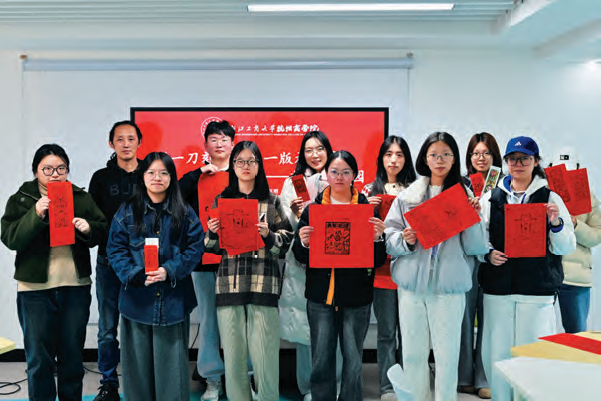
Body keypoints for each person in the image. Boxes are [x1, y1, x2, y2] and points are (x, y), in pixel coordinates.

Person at [384, 132, 488, 401]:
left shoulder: (464, 197)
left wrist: (474, 218)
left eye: (445, 155)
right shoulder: (407, 196)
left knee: (447, 356)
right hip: (412, 286)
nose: (439, 160)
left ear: (454, 159)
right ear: (425, 159)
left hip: (448, 288)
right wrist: (405, 240)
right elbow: (389, 238)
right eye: (434, 155)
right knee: (412, 354)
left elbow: (476, 247)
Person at [1, 143, 107, 401]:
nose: (55, 174)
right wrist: (35, 214)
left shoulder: (79, 196)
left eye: (61, 168)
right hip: (34, 290)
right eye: (47, 169)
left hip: (75, 287)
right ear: (36, 171)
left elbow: (102, 229)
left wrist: (88, 228)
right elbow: (10, 238)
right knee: (39, 359)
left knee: (72, 357)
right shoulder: (21, 199)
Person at [478, 136, 576, 401]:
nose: (518, 164)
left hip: (537, 291)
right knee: (498, 354)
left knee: (535, 355)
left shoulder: (550, 197)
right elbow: (478, 238)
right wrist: (487, 254)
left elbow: (566, 246)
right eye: (512, 159)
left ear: (536, 161)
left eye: (524, 159)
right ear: (506, 162)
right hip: (498, 289)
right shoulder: (491, 197)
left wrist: (555, 224)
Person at [107, 152, 204, 401]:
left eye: (163, 173)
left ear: (171, 178)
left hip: (173, 301)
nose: (157, 178)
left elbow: (195, 248)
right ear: (143, 177)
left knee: (172, 375)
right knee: (137, 375)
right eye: (151, 173)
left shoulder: (185, 212)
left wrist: (169, 270)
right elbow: (115, 250)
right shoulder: (127, 212)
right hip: (136, 300)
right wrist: (135, 274)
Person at [293, 150, 387, 401]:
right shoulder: (313, 210)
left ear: (354, 175)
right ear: (326, 174)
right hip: (321, 296)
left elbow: (378, 260)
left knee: (353, 360)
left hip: (357, 297)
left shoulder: (366, 210)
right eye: (334, 171)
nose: (339, 177)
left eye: (346, 172)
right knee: (321, 359)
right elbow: (299, 255)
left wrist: (378, 238)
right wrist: (304, 243)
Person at [205, 141, 293, 401]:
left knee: (266, 356)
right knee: (233, 358)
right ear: (232, 166)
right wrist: (212, 232)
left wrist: (268, 235)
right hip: (229, 284)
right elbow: (210, 247)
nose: (245, 166)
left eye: (251, 161)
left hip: (263, 283)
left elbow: (286, 242)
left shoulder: (272, 200)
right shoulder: (222, 200)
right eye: (240, 161)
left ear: (259, 165)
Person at [278, 130, 342, 401]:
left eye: (320, 149)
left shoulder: (339, 177)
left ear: (328, 150)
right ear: (302, 154)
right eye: (309, 150)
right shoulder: (292, 183)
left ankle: (334, 384)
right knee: (306, 330)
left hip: (334, 262)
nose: (315, 155)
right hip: (303, 262)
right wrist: (295, 214)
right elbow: (283, 226)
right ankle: (308, 387)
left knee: (334, 326)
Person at [179, 120, 235, 401]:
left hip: (238, 261)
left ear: (233, 144)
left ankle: (243, 379)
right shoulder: (196, 178)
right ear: (206, 145)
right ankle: (212, 380)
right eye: (214, 139)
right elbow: (174, 197)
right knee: (209, 323)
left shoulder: (242, 174)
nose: (219, 143)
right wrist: (197, 173)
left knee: (239, 324)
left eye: (225, 139)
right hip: (203, 261)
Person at [89, 120, 142, 401]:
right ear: (111, 144)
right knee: (108, 328)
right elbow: (93, 220)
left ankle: (140, 383)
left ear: (139, 142)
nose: (125, 144)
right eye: (119, 139)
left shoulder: (150, 173)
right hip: (108, 262)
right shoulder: (101, 178)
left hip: (142, 263)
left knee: (139, 326)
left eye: (131, 138)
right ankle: (109, 383)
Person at [362, 136, 416, 401]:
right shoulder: (367, 190)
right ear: (381, 159)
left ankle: (411, 383)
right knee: (386, 334)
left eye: (399, 154)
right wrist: (365, 210)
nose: (393, 160)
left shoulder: (416, 190)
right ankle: (387, 386)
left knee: (411, 333)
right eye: (388, 154)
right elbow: (358, 236)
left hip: (409, 271)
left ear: (406, 159)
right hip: (381, 273)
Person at [458, 132, 502, 399]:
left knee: (489, 320)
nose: (481, 158)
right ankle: (463, 375)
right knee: (464, 318)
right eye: (475, 153)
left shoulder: (504, 185)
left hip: (494, 259)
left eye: (486, 153)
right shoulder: (460, 184)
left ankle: (484, 377)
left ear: (494, 156)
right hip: (466, 259)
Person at [549, 149, 601, 334]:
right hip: (544, 275)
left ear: (578, 170)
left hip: (576, 278)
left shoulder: (589, 198)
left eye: (570, 172)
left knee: (577, 336)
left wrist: (575, 223)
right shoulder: (541, 195)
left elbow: (597, 236)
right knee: (538, 333)